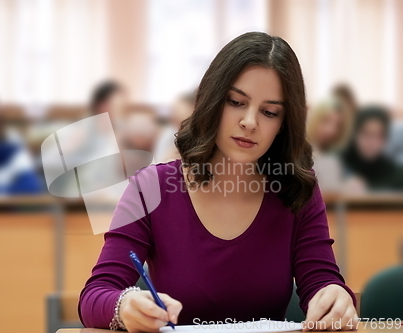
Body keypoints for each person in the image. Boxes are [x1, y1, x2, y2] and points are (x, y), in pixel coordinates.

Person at [78, 32, 358, 332]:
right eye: (236, 102)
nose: (250, 122)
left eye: (269, 111)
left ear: (283, 123)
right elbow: (94, 297)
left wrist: (335, 298)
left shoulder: (296, 188)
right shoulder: (150, 188)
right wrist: (124, 306)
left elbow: (322, 282)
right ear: (212, 100)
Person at [340, 105, 403, 193]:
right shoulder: (338, 165)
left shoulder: (397, 175)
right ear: (355, 135)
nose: (372, 142)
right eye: (366, 134)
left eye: (379, 136)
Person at [306, 98, 352, 193]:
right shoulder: (300, 150)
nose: (331, 130)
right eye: (326, 121)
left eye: (337, 125)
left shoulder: (333, 157)